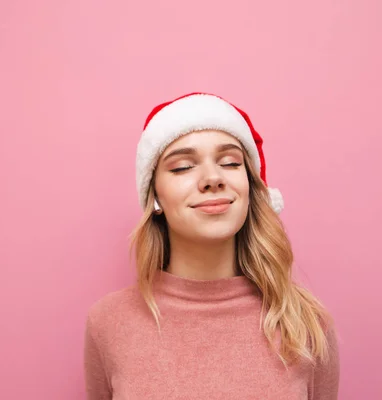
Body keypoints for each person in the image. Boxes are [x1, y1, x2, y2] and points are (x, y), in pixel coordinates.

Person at [83, 92, 340, 399]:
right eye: (182, 167)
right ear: (155, 197)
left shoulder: (307, 323)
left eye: (230, 162)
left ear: (250, 187)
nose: (212, 178)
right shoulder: (109, 323)